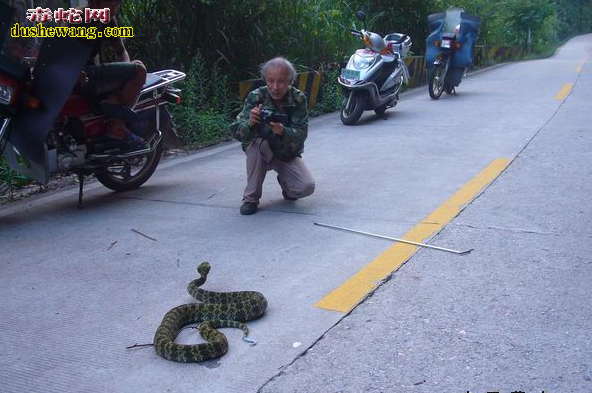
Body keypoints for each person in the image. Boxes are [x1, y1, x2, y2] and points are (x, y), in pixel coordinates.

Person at [230, 57, 315, 215]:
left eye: (281, 81)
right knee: (256, 145)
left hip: (285, 151)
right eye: (271, 81)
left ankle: (286, 185)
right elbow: (236, 132)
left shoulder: (298, 99)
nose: (275, 87)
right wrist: (250, 123)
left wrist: (283, 131)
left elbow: (302, 133)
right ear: (265, 80)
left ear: (290, 81)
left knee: (306, 187)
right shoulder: (256, 97)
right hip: (260, 150)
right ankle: (250, 199)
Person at [74, 0, 147, 147]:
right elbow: (59, 50)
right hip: (81, 75)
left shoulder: (108, 20)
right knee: (140, 70)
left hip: (92, 73)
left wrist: (125, 69)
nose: (114, 9)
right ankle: (117, 126)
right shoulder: (77, 17)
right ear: (95, 2)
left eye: (117, 5)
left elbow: (121, 51)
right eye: (110, 4)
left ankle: (114, 116)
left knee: (134, 69)